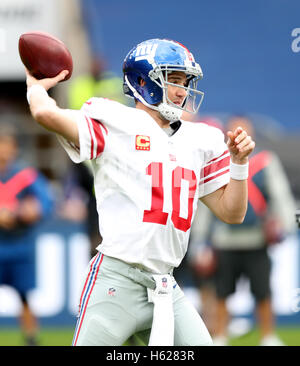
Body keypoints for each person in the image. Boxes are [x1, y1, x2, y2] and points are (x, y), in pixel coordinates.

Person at [24, 38, 255, 346]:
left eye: (185, 81)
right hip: (117, 281)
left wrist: (239, 165)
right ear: (143, 82)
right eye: (173, 80)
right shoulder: (116, 122)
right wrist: (36, 87)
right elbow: (45, 115)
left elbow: (232, 213)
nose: (182, 90)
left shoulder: (201, 139)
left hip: (165, 286)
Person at [189, 115, 296, 346]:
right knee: (221, 293)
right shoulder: (218, 161)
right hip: (224, 240)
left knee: (263, 292)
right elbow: (208, 203)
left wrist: (285, 226)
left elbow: (280, 195)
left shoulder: (265, 161)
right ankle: (220, 335)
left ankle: (268, 336)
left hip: (256, 239)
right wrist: (199, 239)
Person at [0, 123, 53, 345]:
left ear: (13, 148)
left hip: (20, 246)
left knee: (25, 296)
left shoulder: (25, 175)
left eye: (6, 145)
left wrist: (27, 211)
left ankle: (31, 338)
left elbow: (46, 204)